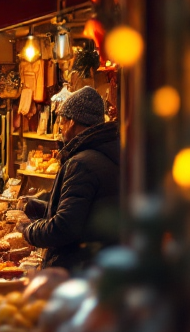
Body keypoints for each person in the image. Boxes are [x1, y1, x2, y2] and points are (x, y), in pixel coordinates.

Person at [20, 86, 120, 272]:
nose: (61, 127)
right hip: (99, 263)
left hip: (78, 268)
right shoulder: (106, 153)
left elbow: (65, 227)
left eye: (62, 122)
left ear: (72, 122)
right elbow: (84, 213)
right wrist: (40, 207)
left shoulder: (82, 163)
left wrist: (29, 231)